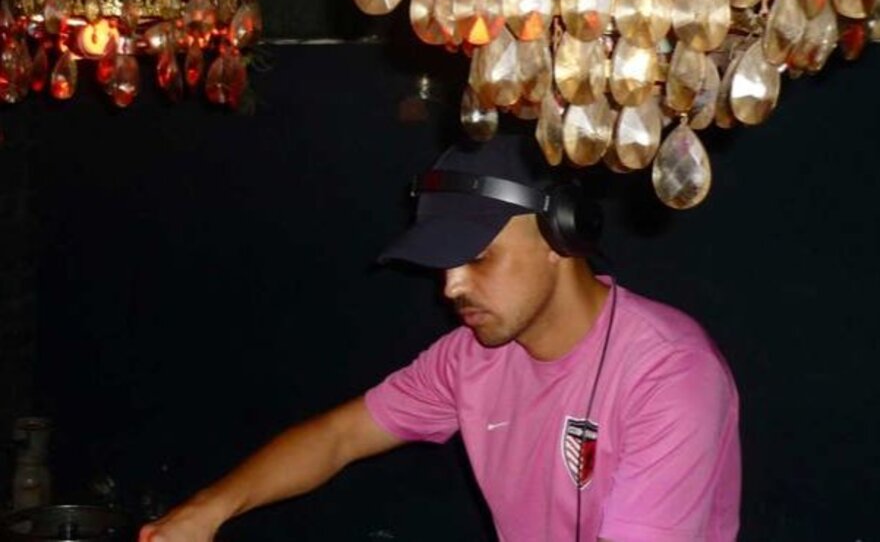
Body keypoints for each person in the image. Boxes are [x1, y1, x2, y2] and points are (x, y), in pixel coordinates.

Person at [139, 134, 741, 542]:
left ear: (562, 238)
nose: (451, 287)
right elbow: (339, 436)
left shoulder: (671, 374)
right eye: (442, 264)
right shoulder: (471, 357)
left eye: (477, 258)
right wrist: (206, 512)